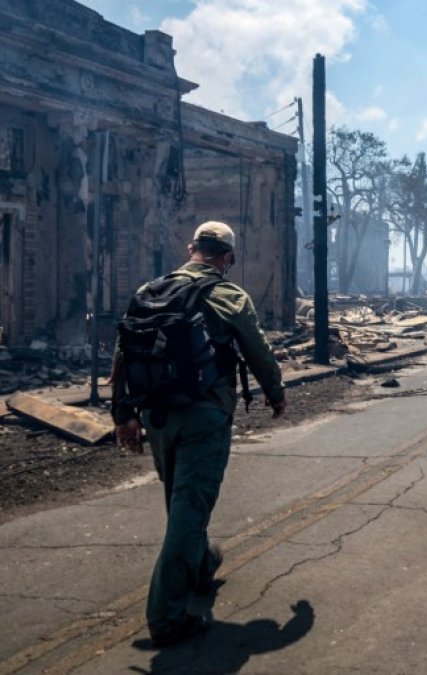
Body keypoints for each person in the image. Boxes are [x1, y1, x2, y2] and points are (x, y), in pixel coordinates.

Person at [112, 221, 287, 648]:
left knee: (181, 500)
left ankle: (202, 565)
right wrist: (276, 394)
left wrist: (123, 415)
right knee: (190, 508)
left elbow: (123, 351)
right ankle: (167, 617)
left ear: (192, 248)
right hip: (204, 416)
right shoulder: (229, 295)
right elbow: (258, 351)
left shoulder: (149, 291)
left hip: (156, 417)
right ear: (227, 257)